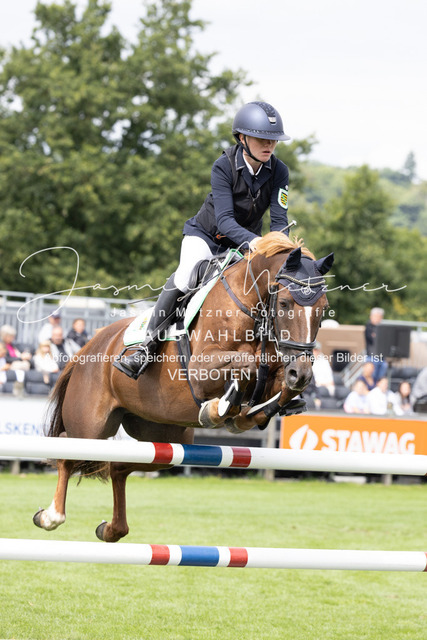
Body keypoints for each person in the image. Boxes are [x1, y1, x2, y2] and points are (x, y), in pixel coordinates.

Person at [115, 101, 291, 379]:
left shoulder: (279, 171)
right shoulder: (223, 166)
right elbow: (225, 221)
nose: (269, 145)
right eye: (262, 139)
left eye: (273, 140)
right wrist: (256, 242)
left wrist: (281, 251)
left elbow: (280, 222)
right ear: (242, 138)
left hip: (244, 245)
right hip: (207, 237)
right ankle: (146, 347)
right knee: (186, 277)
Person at [364, 307, 388, 382]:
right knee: (371, 378)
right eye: (375, 316)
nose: (377, 319)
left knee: (381, 377)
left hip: (381, 357)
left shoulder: (383, 328)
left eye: (379, 317)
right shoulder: (368, 326)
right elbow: (373, 339)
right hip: (371, 356)